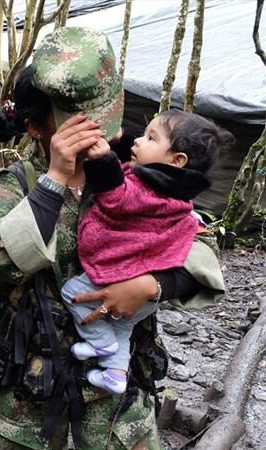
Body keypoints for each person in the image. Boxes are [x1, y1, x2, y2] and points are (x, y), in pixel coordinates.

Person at [0, 27, 225, 450]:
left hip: (115, 385)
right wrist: (54, 178)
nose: (96, 138)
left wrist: (149, 287)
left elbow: (202, 257)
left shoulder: (144, 179)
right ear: (37, 126)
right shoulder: (15, 183)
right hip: (29, 382)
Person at [62, 110, 233, 394]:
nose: (138, 142)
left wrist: (103, 160)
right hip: (141, 302)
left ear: (177, 160)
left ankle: (99, 344)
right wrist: (121, 142)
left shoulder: (153, 191)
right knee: (123, 329)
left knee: (73, 293)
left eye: (150, 138)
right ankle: (116, 373)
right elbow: (135, 171)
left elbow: (121, 196)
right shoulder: (175, 189)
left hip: (117, 280)